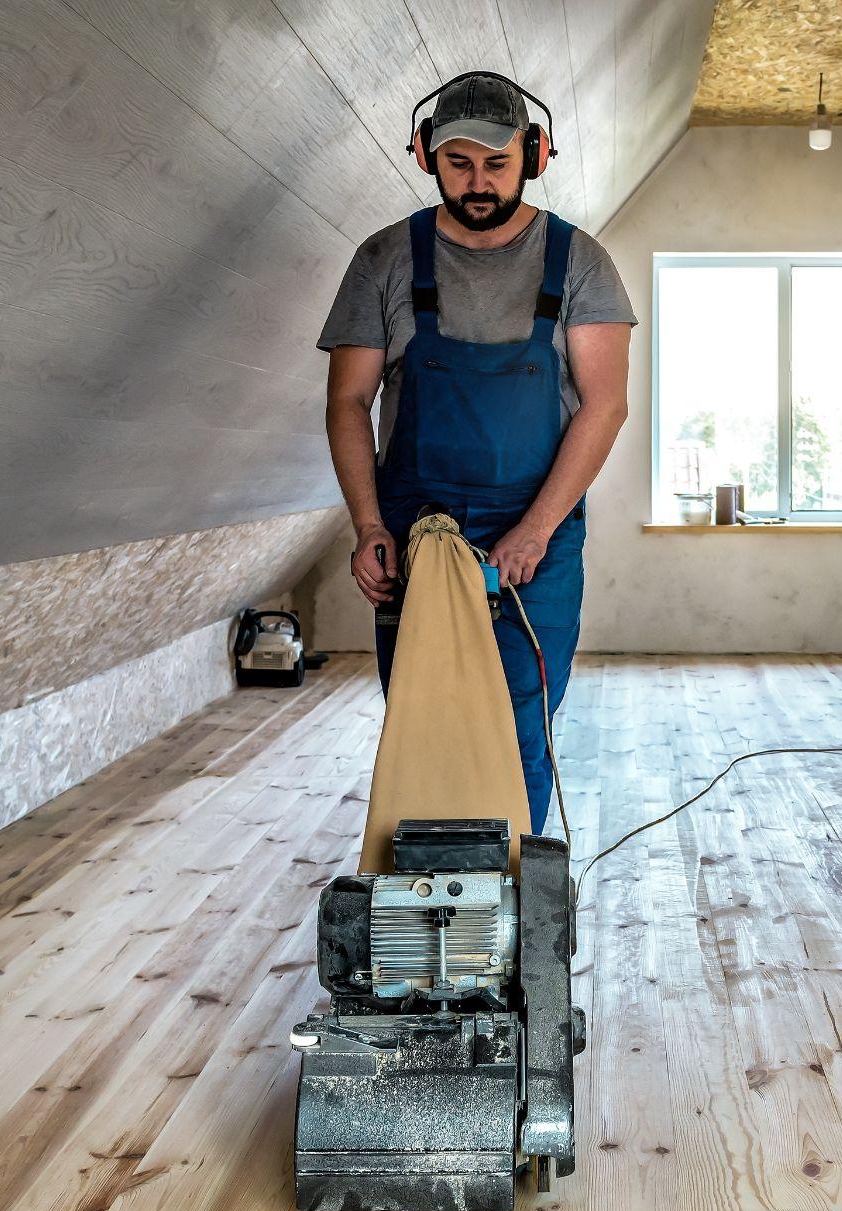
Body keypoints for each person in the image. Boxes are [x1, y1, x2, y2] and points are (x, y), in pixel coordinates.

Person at [316, 70, 635, 834]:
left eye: (497, 163)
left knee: (522, 718)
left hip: (537, 532)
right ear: (427, 155)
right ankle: (433, 908)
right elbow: (348, 402)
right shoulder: (386, 260)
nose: (479, 181)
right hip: (416, 529)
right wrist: (368, 526)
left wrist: (536, 529)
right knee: (423, 722)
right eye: (459, 163)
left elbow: (606, 406)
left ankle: (511, 901)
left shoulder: (579, 263)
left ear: (535, 154)